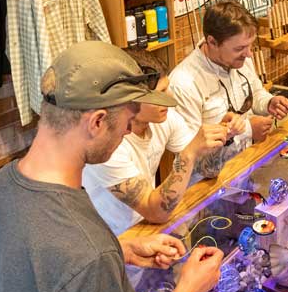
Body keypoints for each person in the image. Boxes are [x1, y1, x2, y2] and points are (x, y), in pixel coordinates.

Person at [0, 41, 224, 292]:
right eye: (127, 122)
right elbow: (77, 262)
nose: (129, 132)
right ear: (97, 122)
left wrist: (122, 250)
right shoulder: (88, 256)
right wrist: (188, 291)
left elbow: (37, 275)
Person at [82, 51, 229, 235]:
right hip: (117, 242)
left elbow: (208, 171)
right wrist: (189, 153)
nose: (171, 99)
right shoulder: (107, 144)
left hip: (148, 228)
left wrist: (221, 137)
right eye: (161, 93)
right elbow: (156, 212)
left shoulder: (164, 119)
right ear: (131, 100)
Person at [168, 0, 288, 179]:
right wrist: (248, 130)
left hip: (245, 167)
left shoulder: (241, 59)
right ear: (212, 41)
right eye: (240, 48)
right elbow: (190, 156)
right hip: (207, 188)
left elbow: (255, 92)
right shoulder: (183, 84)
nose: (249, 54)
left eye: (250, 45)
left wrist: (268, 102)